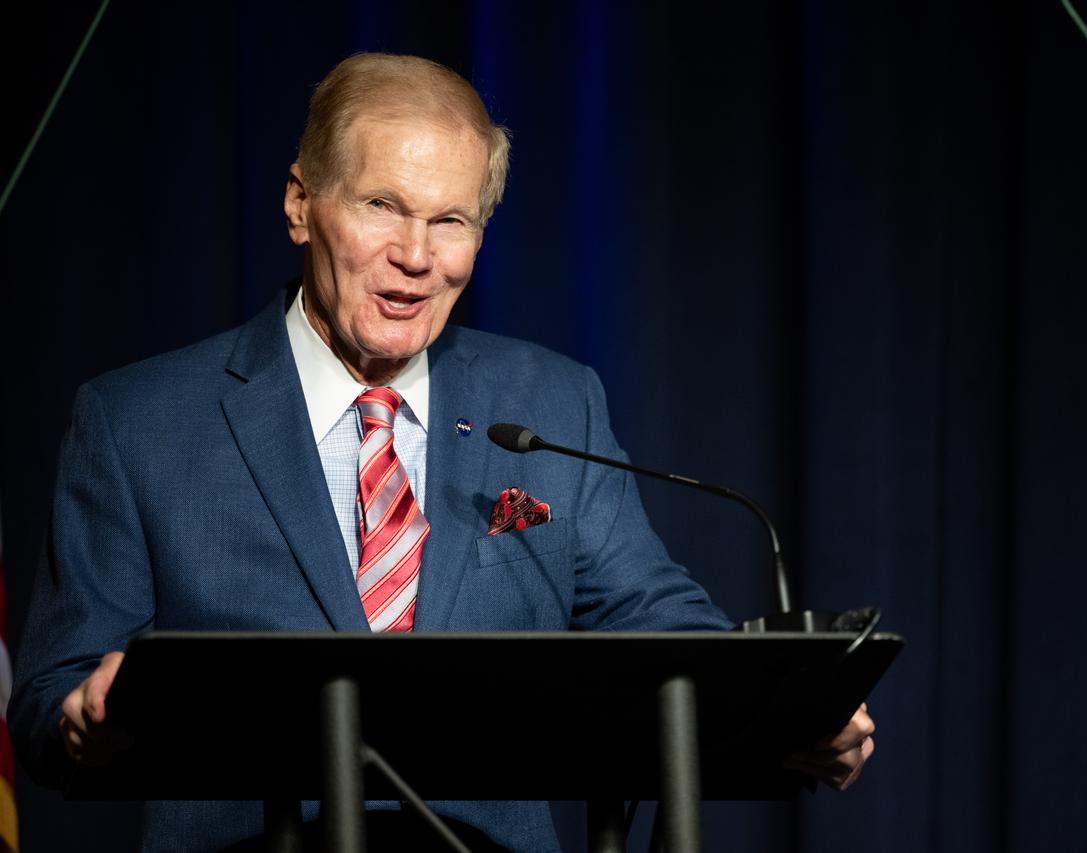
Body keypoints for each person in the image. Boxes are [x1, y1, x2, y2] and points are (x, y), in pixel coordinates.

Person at [9, 53, 875, 852]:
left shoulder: (547, 402)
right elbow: (51, 695)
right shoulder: (136, 421)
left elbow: (651, 616)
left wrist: (779, 705)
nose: (416, 256)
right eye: (383, 205)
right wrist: (87, 711)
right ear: (300, 202)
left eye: (450, 218)